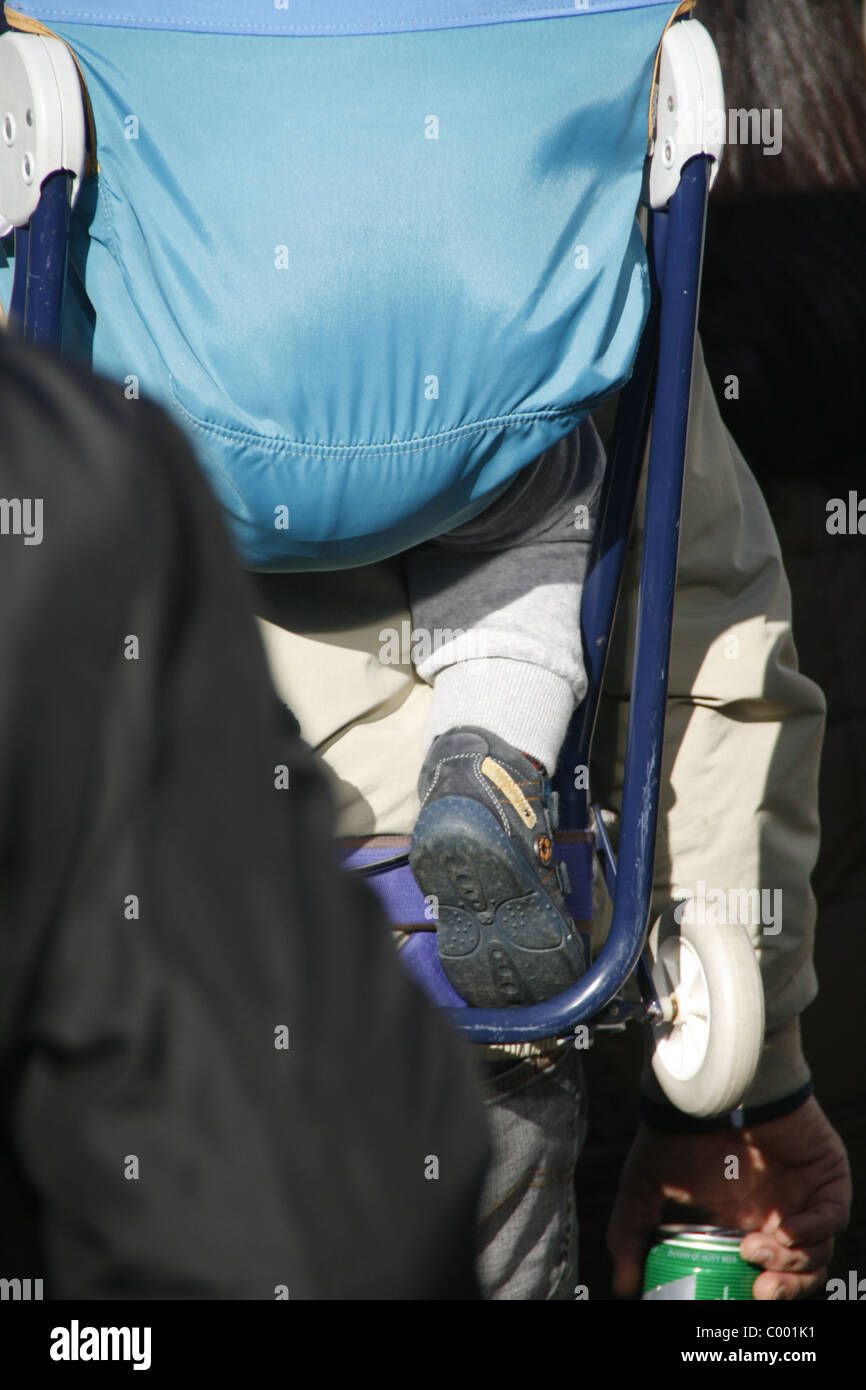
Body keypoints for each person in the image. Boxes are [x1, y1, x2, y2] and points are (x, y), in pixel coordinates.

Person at [0, 333, 491, 1300]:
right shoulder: (66, 468)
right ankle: (489, 764)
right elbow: (290, 1215)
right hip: (388, 907)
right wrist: (748, 1084)